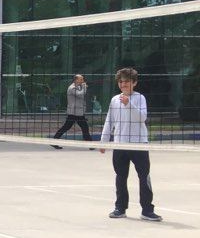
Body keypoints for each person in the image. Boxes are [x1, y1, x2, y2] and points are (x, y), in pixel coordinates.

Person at [100, 67, 160, 222]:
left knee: (144, 176)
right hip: (120, 145)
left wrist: (129, 104)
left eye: (126, 81)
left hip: (139, 145)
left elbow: (142, 118)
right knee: (120, 177)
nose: (123, 84)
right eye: (120, 82)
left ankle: (147, 210)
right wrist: (104, 141)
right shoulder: (114, 100)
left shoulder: (140, 98)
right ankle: (120, 208)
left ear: (134, 83)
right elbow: (109, 121)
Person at [51, 74, 92, 147]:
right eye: (81, 79)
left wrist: (83, 87)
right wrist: (84, 87)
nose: (83, 81)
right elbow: (80, 94)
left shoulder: (78, 87)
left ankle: (54, 140)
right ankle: (90, 144)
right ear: (76, 80)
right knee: (82, 127)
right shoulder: (72, 88)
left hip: (77, 112)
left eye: (83, 79)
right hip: (74, 112)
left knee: (82, 127)